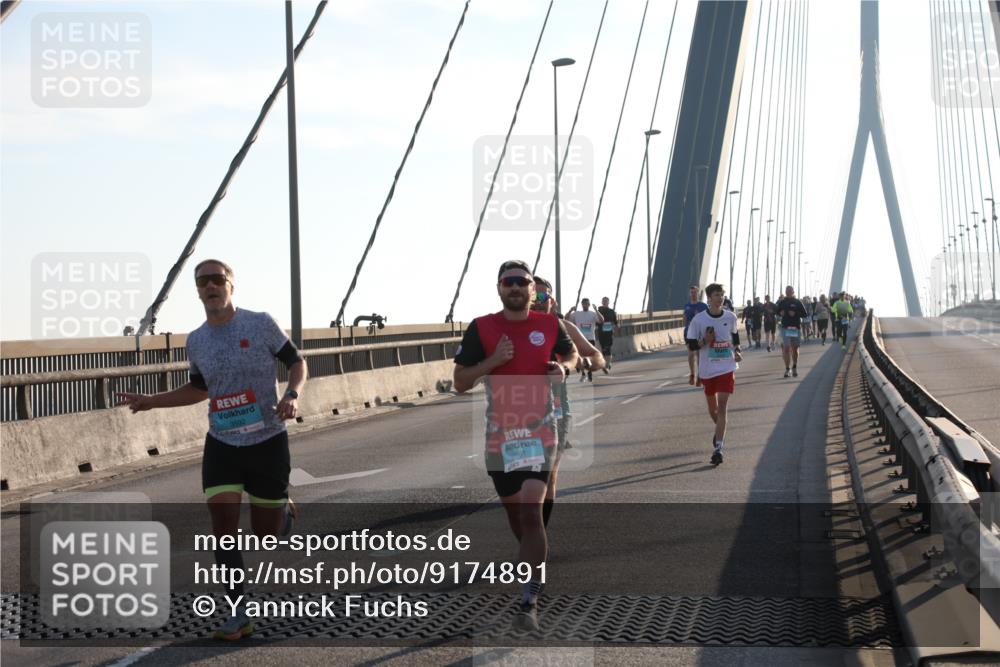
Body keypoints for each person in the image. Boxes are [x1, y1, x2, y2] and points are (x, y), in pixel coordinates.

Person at [118, 259, 308, 641]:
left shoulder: (260, 323)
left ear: (231, 285)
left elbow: (297, 362)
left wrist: (291, 394)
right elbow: (200, 389)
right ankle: (239, 614)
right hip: (222, 442)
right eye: (202, 281)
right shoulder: (197, 339)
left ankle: (281, 510)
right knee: (223, 528)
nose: (210, 286)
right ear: (198, 291)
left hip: (267, 440)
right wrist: (152, 401)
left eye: (217, 279)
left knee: (267, 534)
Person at [453, 260, 578, 632]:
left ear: (532, 290)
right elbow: (460, 381)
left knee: (530, 512)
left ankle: (529, 598)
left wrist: (564, 368)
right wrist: (493, 360)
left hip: (541, 430)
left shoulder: (549, 324)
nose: (515, 287)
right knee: (517, 518)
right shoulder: (482, 328)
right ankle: (535, 561)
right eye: (508, 282)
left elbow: (571, 354)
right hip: (500, 436)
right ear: (498, 287)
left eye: (522, 282)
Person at [531, 276, 603, 529]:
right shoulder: (508, 329)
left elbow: (597, 357)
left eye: (543, 297)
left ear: (553, 300)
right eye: (533, 296)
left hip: (556, 411)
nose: (538, 302)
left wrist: (583, 363)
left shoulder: (562, 328)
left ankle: (537, 534)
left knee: (548, 475)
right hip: (516, 412)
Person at [685, 283, 742, 465]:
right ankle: (719, 429)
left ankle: (718, 447)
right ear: (709, 298)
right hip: (708, 370)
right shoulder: (699, 320)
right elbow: (692, 345)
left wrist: (738, 349)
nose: (720, 298)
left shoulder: (730, 316)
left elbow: (734, 336)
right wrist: (705, 340)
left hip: (726, 367)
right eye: (717, 295)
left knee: (723, 405)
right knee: (713, 409)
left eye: (722, 295)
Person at [775, 285, 807, 378]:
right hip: (785, 328)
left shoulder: (797, 302)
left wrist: (796, 313)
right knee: (786, 348)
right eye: (787, 290)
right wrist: (780, 313)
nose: (788, 292)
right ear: (785, 292)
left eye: (790, 290)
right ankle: (787, 369)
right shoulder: (782, 302)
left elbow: (805, 314)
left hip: (795, 328)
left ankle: (794, 366)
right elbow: (777, 311)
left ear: (793, 291)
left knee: (795, 349)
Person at [568, 298, 603, 382]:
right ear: (582, 304)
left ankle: (589, 373)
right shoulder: (577, 314)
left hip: (590, 339)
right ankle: (583, 374)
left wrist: (596, 310)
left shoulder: (593, 314)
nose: (585, 305)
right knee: (581, 357)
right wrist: (570, 311)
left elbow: (602, 320)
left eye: (587, 304)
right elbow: (566, 319)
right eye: (583, 304)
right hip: (580, 339)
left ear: (589, 305)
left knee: (590, 358)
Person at [683, 285, 709, 386]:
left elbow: (708, 318)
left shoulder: (703, 306)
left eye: (695, 292)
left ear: (698, 293)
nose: (693, 294)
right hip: (689, 333)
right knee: (690, 355)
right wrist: (685, 328)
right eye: (692, 292)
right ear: (690, 294)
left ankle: (699, 376)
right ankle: (692, 374)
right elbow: (684, 318)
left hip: (700, 333)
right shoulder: (687, 306)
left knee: (699, 354)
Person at [596, 296, 619, 373]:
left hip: (609, 333)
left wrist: (616, 327)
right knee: (603, 349)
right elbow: (595, 322)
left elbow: (615, 322)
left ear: (608, 302)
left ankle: (607, 365)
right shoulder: (598, 311)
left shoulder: (612, 311)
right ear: (602, 302)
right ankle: (607, 363)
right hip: (601, 333)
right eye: (603, 301)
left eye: (606, 301)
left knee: (608, 348)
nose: (605, 302)